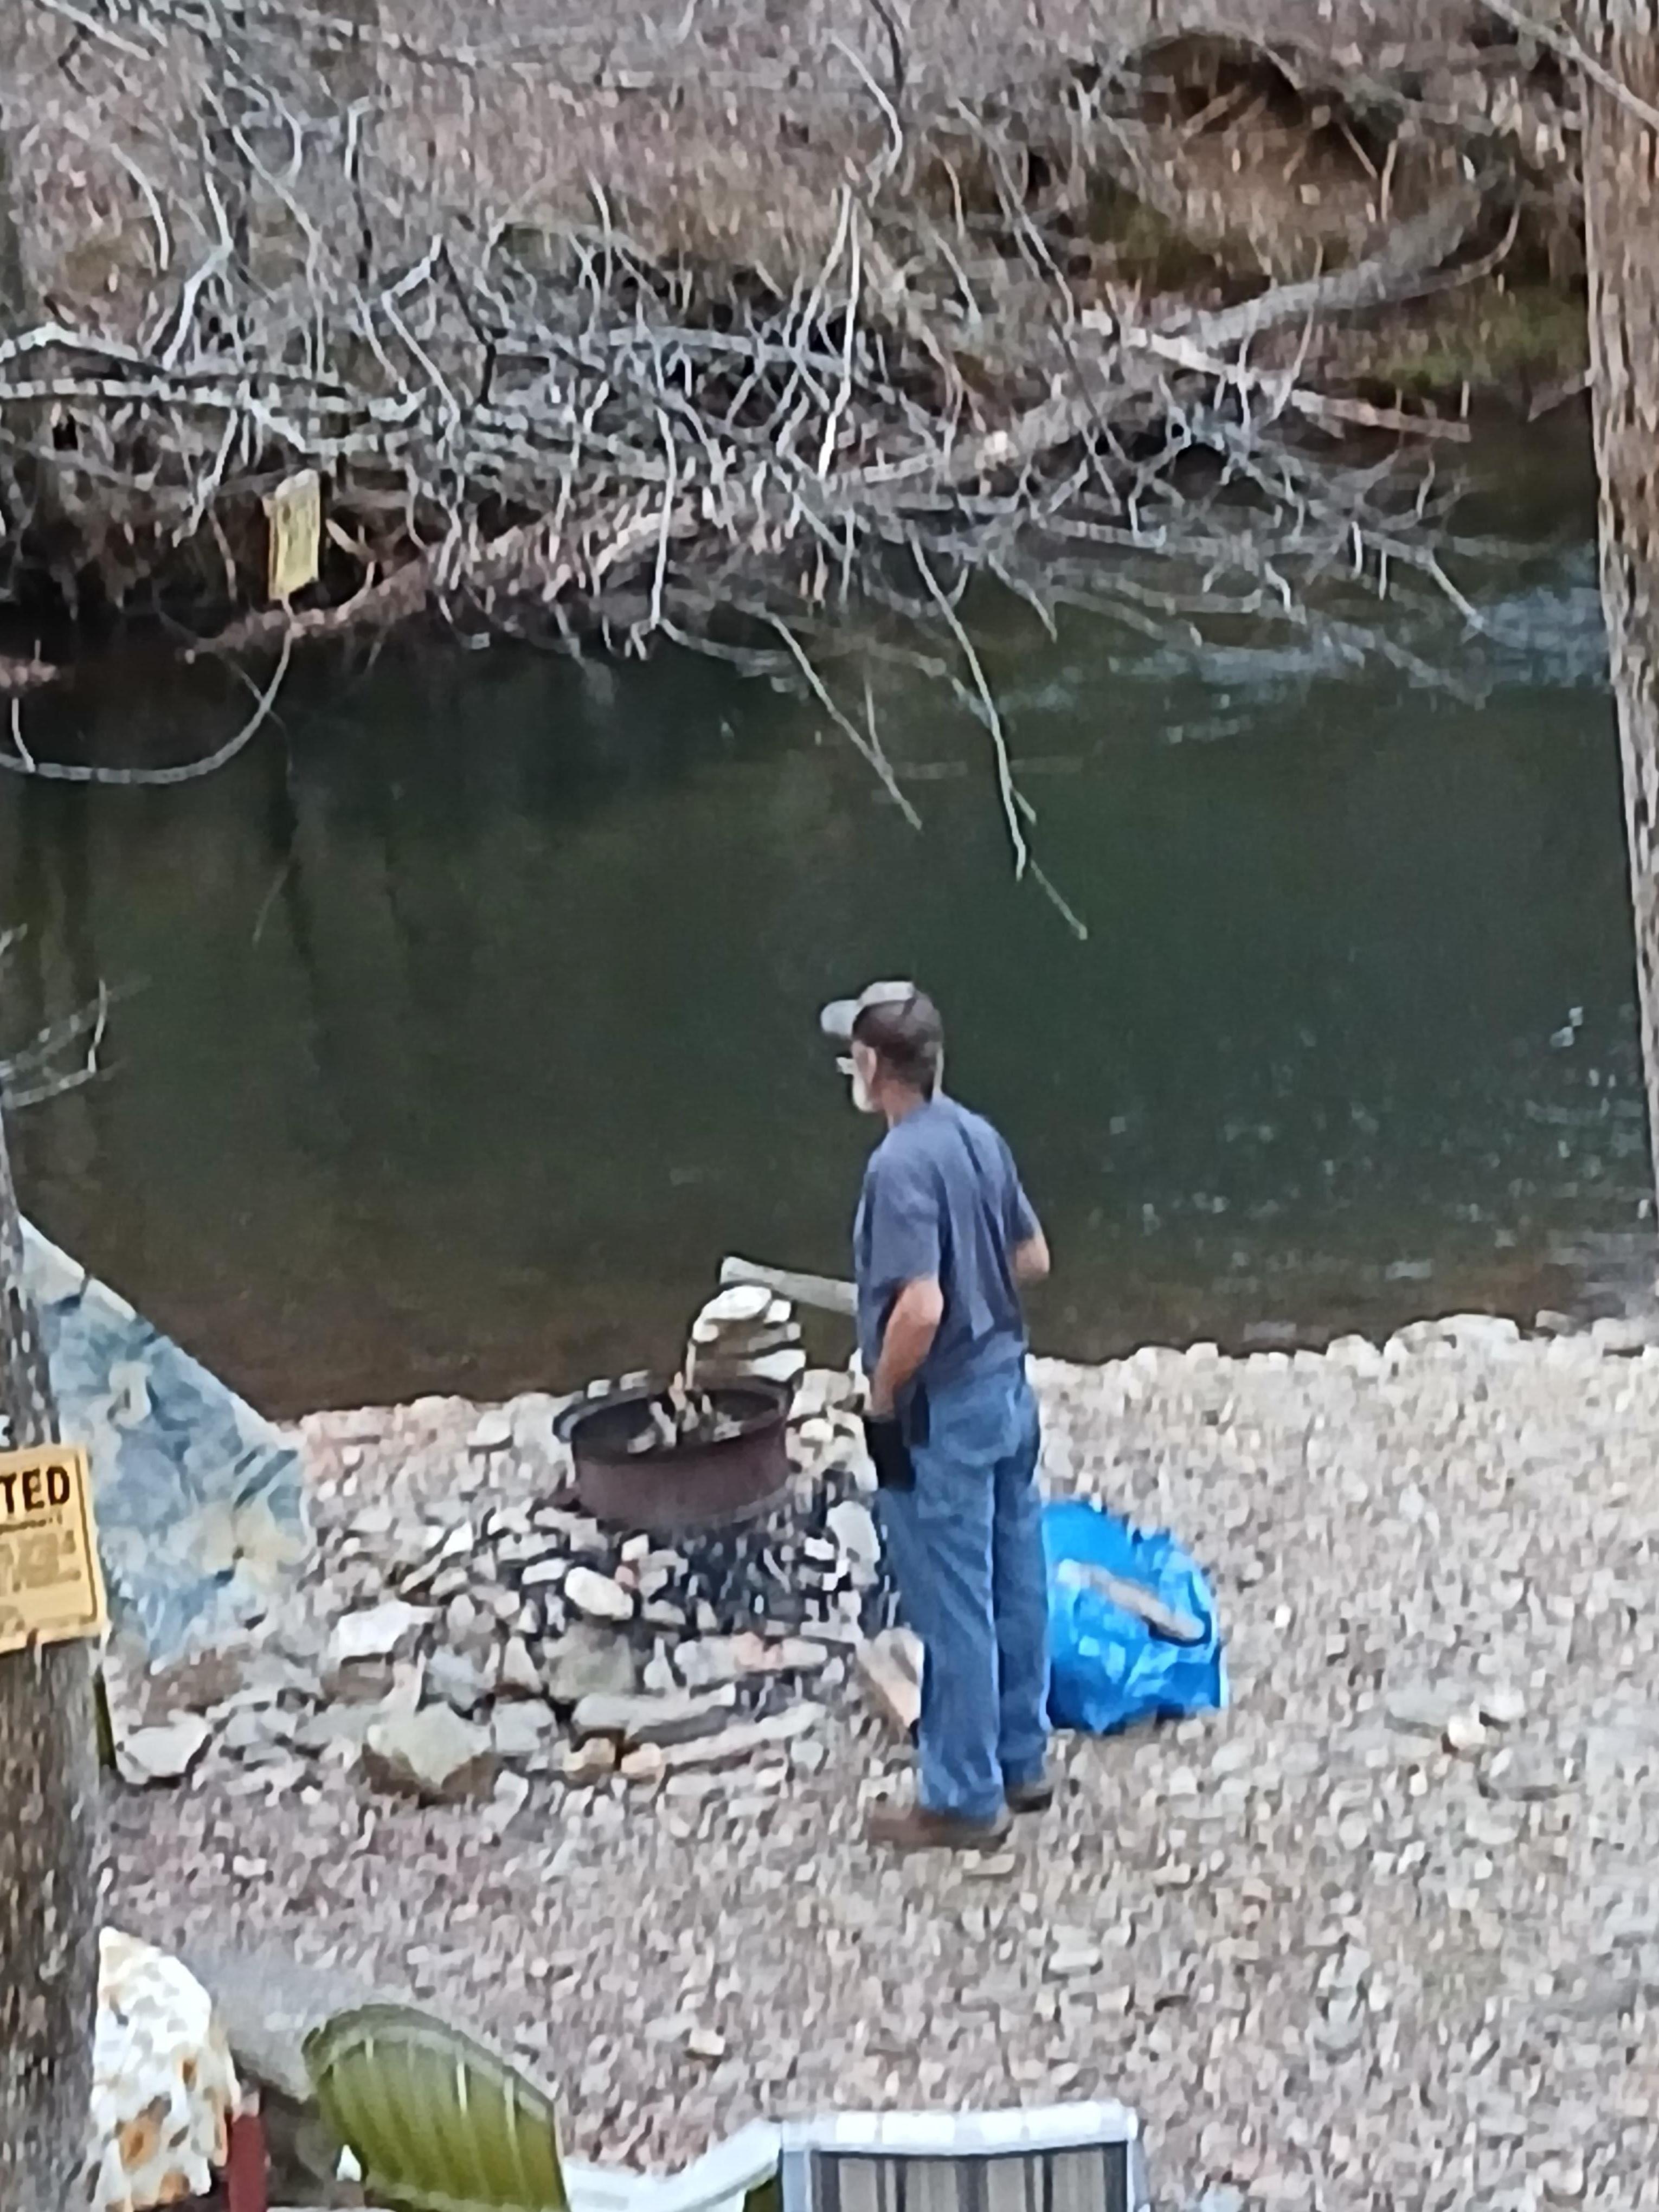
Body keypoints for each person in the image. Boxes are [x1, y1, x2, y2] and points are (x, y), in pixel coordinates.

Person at [819, 979, 1053, 1850]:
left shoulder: (896, 1168)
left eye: (854, 1054)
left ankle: (962, 1797)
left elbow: (920, 1307)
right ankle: (1023, 1758)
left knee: (951, 1601)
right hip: (1007, 1390)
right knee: (1015, 1575)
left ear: (872, 1067)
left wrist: (883, 1394)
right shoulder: (979, 1136)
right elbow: (1032, 1256)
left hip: (939, 1410)